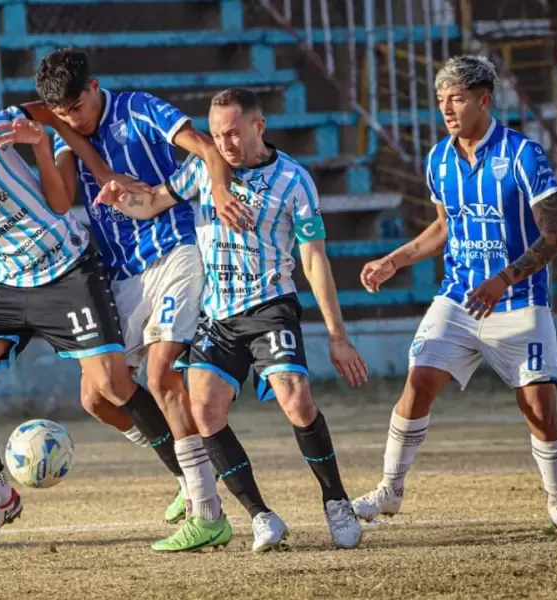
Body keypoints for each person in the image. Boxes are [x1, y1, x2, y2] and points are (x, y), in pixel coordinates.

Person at [0, 94, 193, 558]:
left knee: (110, 386)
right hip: (8, 283)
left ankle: (189, 480)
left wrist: (94, 166)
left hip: (67, 267)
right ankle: (0, 497)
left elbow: (50, 109)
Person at [95, 87, 368, 552]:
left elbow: (314, 258)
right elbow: (156, 201)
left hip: (269, 306)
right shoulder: (203, 168)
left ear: (258, 126)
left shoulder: (294, 180)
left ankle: (336, 502)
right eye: (217, 135)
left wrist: (337, 336)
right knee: (203, 411)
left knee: (296, 401)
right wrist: (121, 198)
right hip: (218, 315)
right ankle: (262, 517)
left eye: (234, 134)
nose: (224, 144)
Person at [1, 47, 253, 524]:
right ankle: (187, 472)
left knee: (160, 374)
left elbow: (206, 148)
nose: (71, 118)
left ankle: (206, 511)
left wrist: (220, 189)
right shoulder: (67, 135)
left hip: (174, 250)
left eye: (76, 107)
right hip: (121, 272)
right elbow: (61, 201)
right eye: (61, 113)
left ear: (94, 87)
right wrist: (47, 142)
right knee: (96, 396)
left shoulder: (139, 108)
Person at [351, 56, 557, 530]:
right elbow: (445, 227)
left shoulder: (524, 155)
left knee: (538, 407)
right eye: (441, 100)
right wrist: (394, 260)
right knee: (419, 382)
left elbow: (555, 236)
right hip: (458, 299)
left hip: (519, 300)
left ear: (484, 100)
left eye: (457, 99)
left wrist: (503, 279)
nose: (447, 109)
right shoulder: (438, 159)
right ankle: (389, 490)